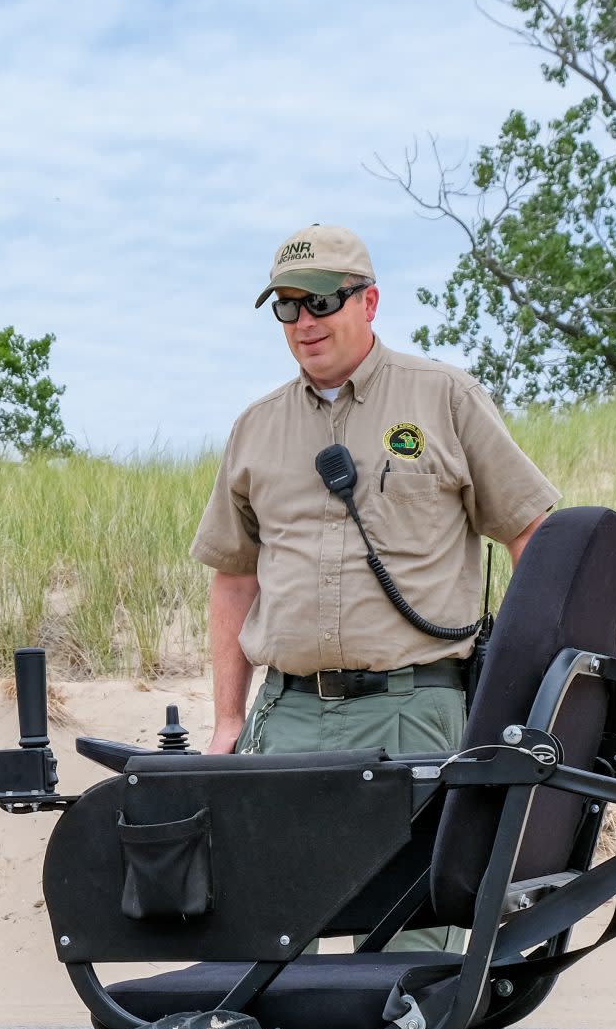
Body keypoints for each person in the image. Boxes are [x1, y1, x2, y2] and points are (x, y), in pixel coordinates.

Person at [194, 224, 564, 948]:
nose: (304, 322)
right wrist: (227, 719)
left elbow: (533, 536)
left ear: (369, 302)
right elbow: (233, 578)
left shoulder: (445, 398)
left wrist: (531, 691)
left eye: (322, 301)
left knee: (412, 954)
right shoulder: (255, 429)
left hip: (414, 712)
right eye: (287, 307)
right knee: (263, 946)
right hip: (290, 719)